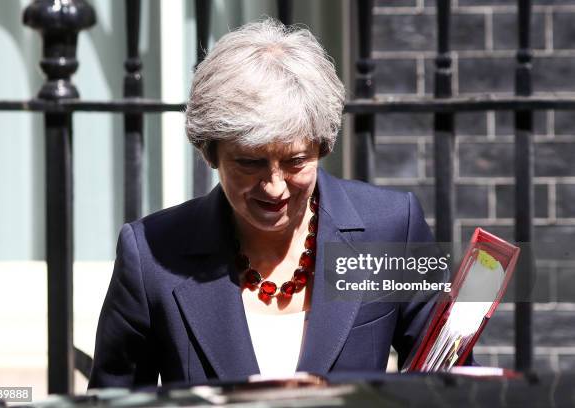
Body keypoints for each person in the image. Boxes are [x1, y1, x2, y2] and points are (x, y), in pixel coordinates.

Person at [88, 18, 443, 389]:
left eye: (296, 161)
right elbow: (113, 399)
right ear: (209, 152)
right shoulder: (150, 254)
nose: (274, 187)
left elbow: (449, 379)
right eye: (249, 162)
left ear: (322, 146)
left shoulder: (392, 225)